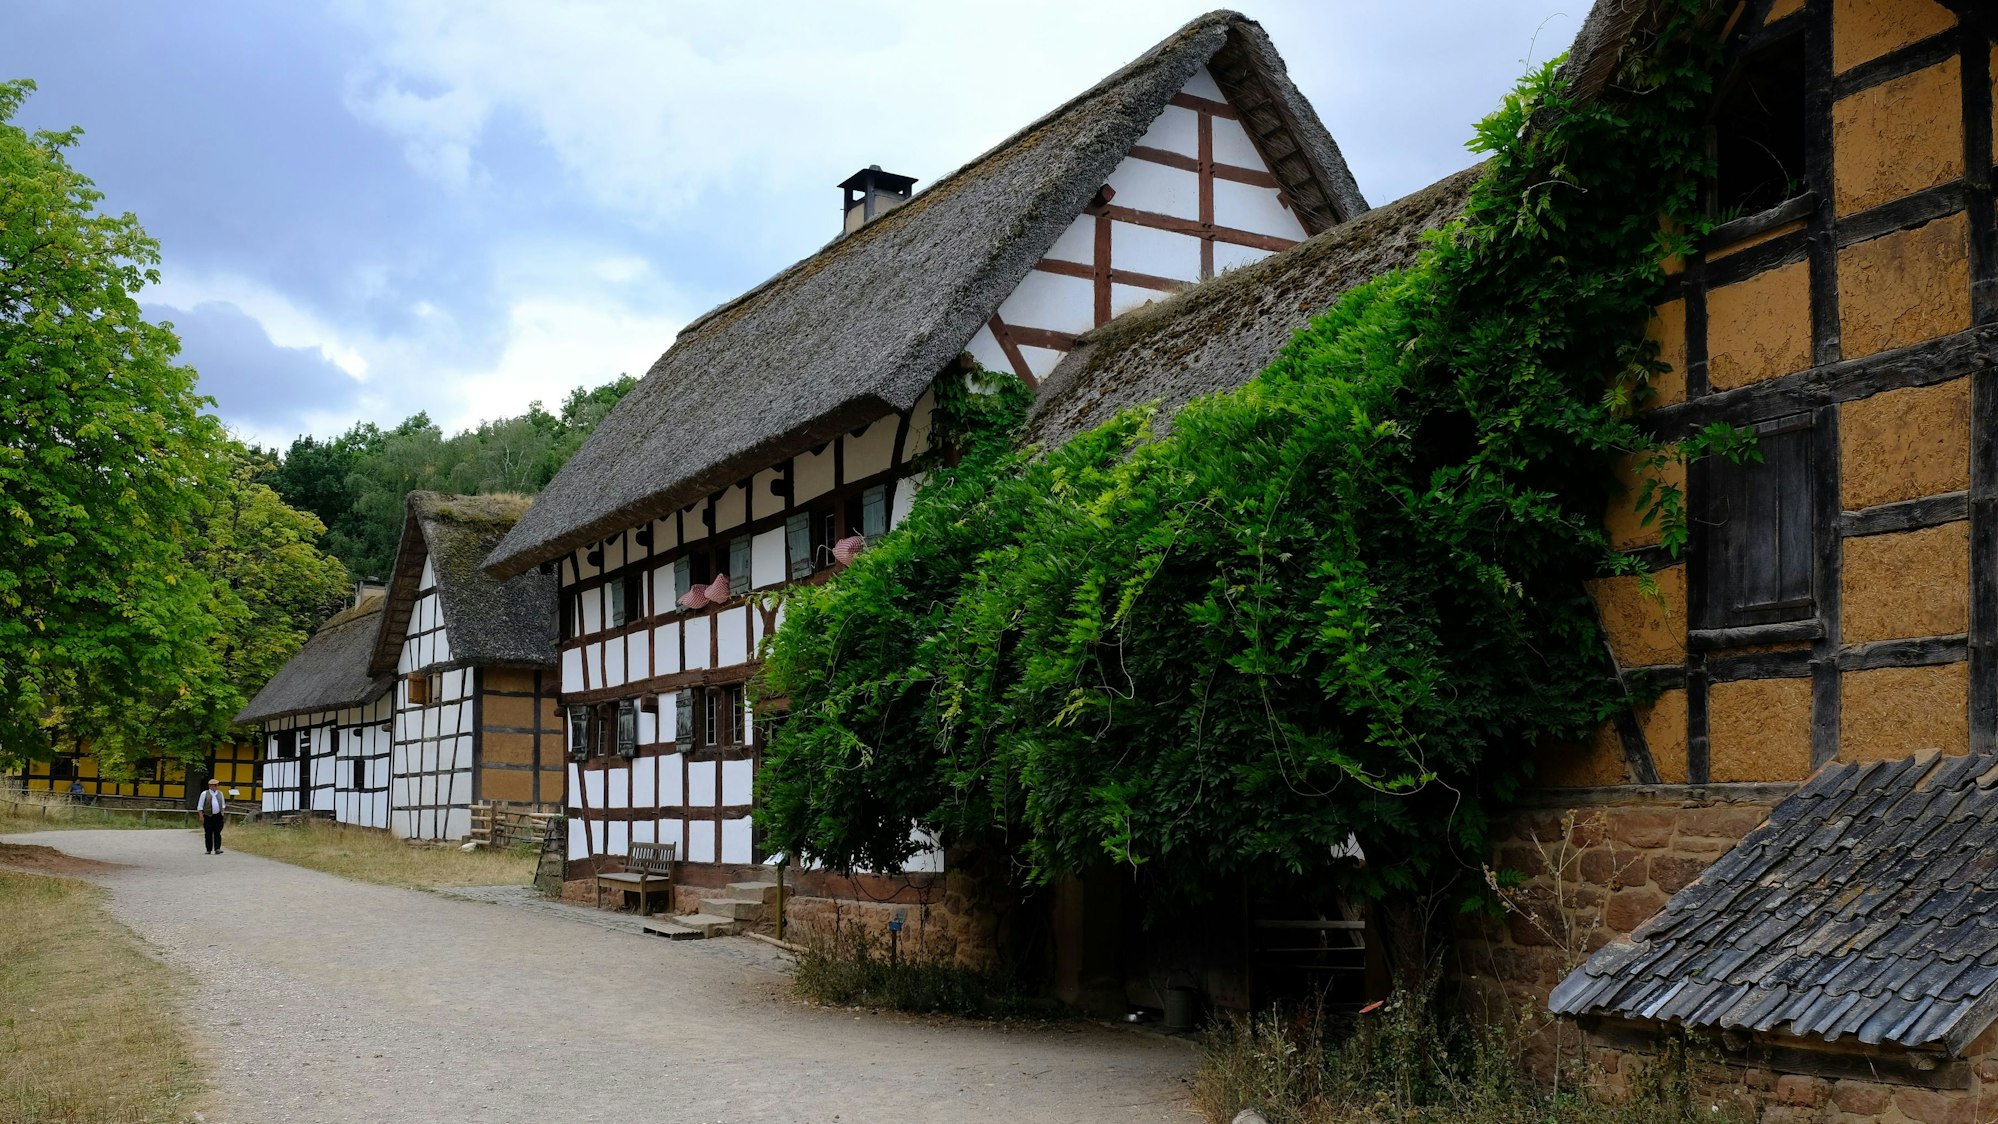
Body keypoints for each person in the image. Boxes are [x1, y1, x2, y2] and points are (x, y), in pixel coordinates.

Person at [197, 778, 227, 855]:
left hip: (218, 816)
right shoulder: (204, 794)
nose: (217, 787)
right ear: (210, 786)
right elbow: (200, 806)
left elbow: (223, 804)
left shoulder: (220, 793)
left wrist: (222, 812)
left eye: (217, 785)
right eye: (215, 785)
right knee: (208, 833)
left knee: (217, 832)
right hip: (208, 816)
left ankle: (217, 848)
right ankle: (208, 849)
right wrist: (201, 815)